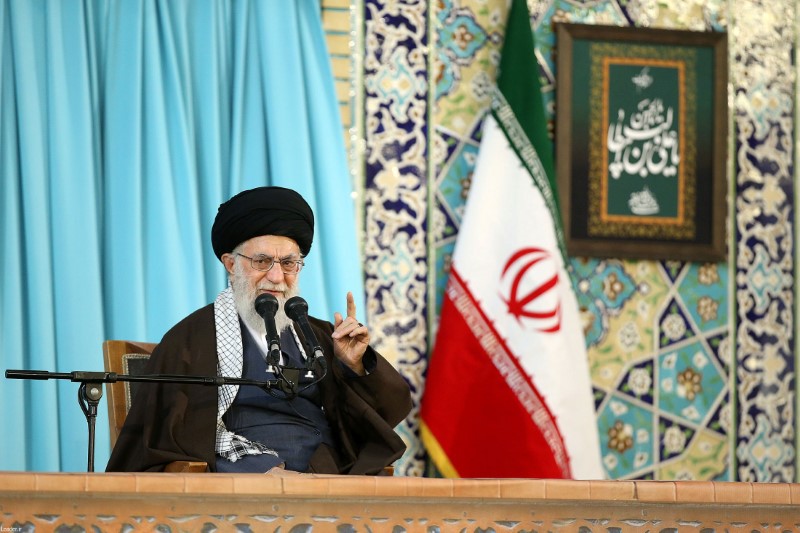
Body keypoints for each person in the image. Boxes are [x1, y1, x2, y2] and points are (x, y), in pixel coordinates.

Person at [106, 186, 412, 474]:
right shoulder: (192, 339)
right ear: (230, 264)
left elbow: (374, 419)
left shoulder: (318, 336)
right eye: (262, 261)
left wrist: (354, 365)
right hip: (244, 487)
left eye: (289, 263)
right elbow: (174, 436)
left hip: (328, 478)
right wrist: (261, 471)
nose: (277, 277)